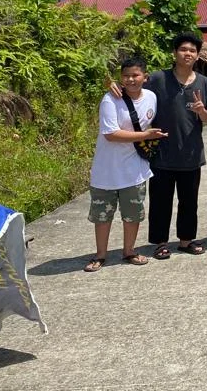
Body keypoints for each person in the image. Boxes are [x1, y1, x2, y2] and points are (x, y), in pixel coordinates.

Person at [85, 57, 167, 272]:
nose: (131, 79)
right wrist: (145, 135)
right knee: (102, 216)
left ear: (145, 77)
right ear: (120, 78)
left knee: (133, 214)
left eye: (135, 75)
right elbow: (111, 134)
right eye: (126, 76)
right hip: (106, 170)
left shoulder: (151, 97)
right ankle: (100, 255)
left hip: (135, 169)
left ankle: (129, 251)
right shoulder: (110, 100)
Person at [143, 32, 207, 259]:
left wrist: (201, 111)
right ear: (174, 53)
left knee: (189, 201)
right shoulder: (157, 79)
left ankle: (186, 240)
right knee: (160, 201)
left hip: (191, 153)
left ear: (197, 56)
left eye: (193, 51)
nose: (188, 54)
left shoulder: (204, 83)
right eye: (184, 49)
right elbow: (134, 92)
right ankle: (160, 242)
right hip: (162, 153)